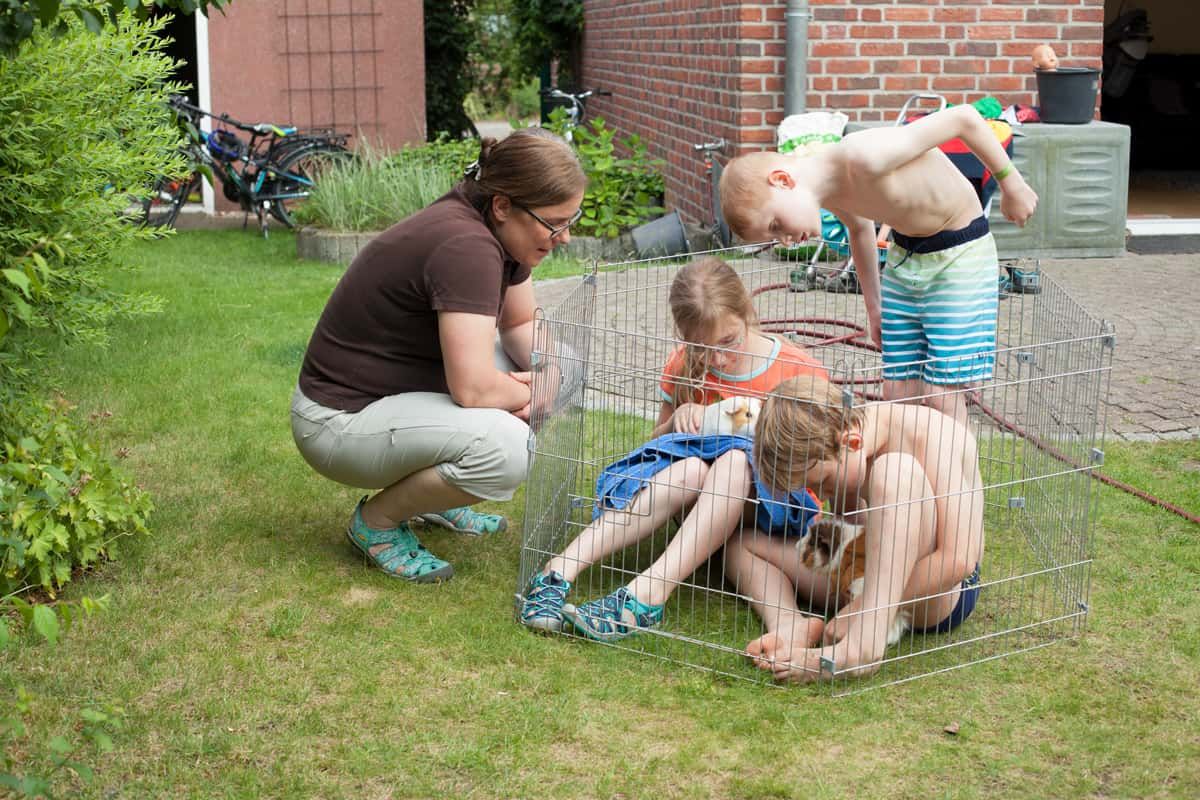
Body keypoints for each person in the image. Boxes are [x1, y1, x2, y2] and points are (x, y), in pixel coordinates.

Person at [290, 128, 587, 583]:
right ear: (504, 205)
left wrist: (550, 375)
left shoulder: (498, 225)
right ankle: (378, 524)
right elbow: (472, 387)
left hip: (394, 398)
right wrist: (532, 392)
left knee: (559, 361)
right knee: (507, 449)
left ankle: (438, 500)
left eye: (572, 219)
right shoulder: (466, 247)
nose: (564, 237)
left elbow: (518, 325)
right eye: (554, 223)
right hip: (337, 422)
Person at [519, 257, 827, 639]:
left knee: (732, 459)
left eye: (728, 342)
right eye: (701, 347)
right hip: (699, 503)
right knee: (693, 467)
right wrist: (679, 418)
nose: (717, 359)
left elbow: (819, 469)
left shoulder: (799, 370)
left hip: (774, 508)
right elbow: (655, 450)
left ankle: (646, 597)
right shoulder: (685, 364)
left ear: (747, 311)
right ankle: (558, 571)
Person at [720, 104, 1040, 428]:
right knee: (899, 392)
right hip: (906, 257)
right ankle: (911, 475)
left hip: (959, 255)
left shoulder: (865, 157)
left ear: (782, 180)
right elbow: (860, 230)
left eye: (775, 225)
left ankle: (958, 478)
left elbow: (964, 119)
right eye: (776, 238)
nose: (787, 239)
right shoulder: (831, 193)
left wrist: (1010, 183)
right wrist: (874, 308)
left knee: (941, 394)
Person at [728, 374, 984, 682]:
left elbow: (959, 560)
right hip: (868, 577)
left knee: (893, 471)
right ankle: (789, 624)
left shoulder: (932, 436)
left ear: (852, 442)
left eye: (823, 483)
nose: (821, 496)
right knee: (741, 544)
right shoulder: (846, 455)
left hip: (937, 589)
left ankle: (860, 651)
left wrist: (861, 608)